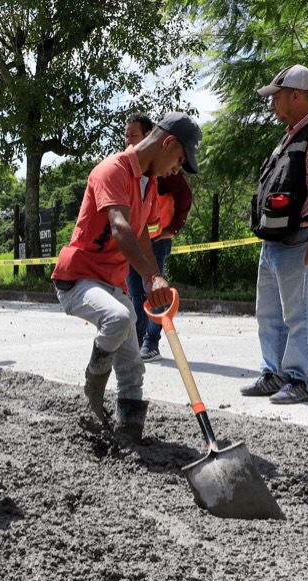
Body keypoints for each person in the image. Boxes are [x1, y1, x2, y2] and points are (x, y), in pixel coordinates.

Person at [51, 111, 201, 442]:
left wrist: (154, 278)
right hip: (78, 279)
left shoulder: (149, 185)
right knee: (119, 318)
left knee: (133, 365)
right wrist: (151, 277)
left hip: (111, 282)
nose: (177, 169)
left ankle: (129, 433)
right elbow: (120, 227)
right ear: (169, 143)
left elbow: (142, 235)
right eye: (179, 159)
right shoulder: (112, 170)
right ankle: (93, 385)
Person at [243, 64, 308, 404]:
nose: (273, 104)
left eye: (277, 97)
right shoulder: (291, 134)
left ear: (297, 95)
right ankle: (273, 374)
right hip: (275, 243)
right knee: (270, 315)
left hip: (303, 241)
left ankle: (301, 380)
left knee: (300, 315)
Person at [121, 114, 193, 363]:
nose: (129, 140)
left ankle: (151, 342)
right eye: (126, 136)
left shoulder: (162, 172)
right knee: (136, 291)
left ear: (150, 136)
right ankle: (139, 341)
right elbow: (126, 224)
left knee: (154, 290)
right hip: (134, 242)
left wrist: (173, 228)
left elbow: (185, 196)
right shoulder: (125, 172)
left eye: (134, 135)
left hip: (156, 241)